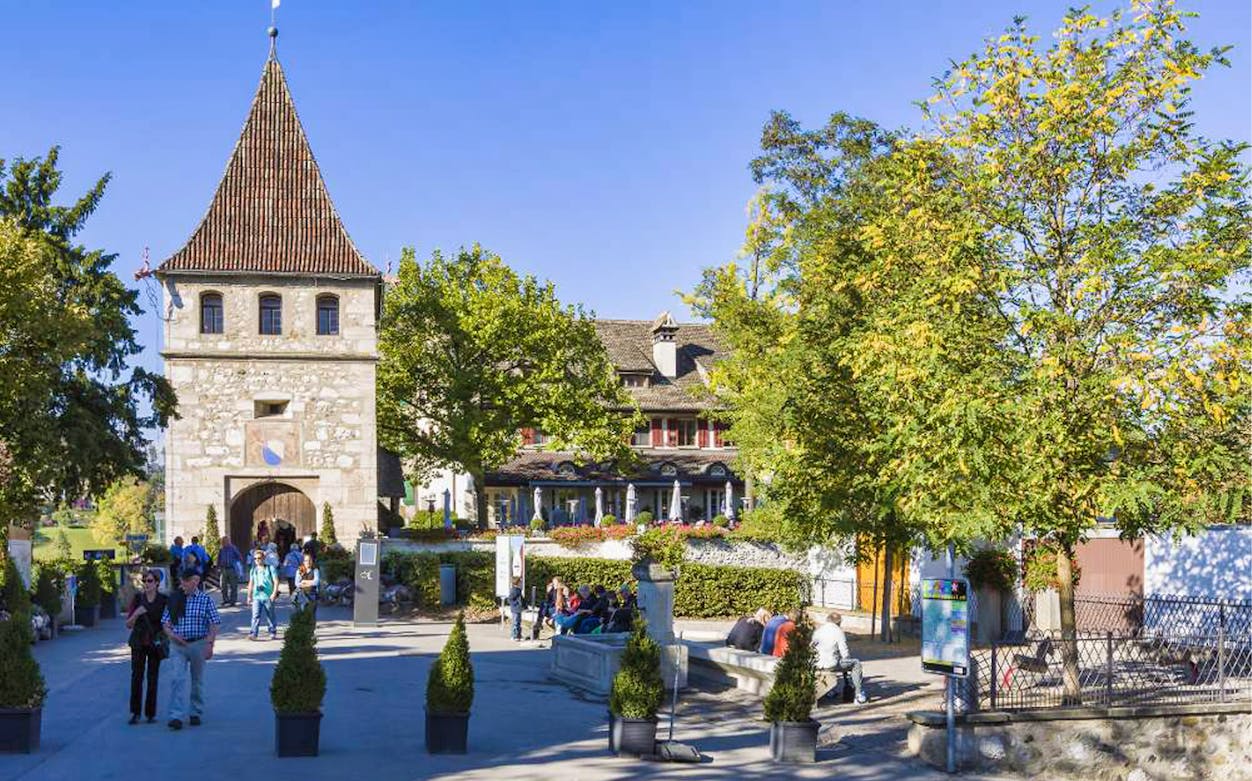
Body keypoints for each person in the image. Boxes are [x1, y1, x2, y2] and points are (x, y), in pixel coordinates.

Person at [161, 571, 220, 730]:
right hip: (178, 645)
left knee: (197, 680)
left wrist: (210, 644)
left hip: (198, 644)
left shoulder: (205, 600)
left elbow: (214, 623)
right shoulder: (175, 598)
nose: (183, 585)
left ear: (196, 581)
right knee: (177, 679)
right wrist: (173, 636)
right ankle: (176, 716)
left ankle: (195, 712)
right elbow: (165, 623)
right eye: (182, 581)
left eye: (187, 581)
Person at [125, 569, 168, 724]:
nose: (147, 584)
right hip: (138, 641)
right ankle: (135, 713)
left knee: (152, 677)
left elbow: (168, 623)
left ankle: (150, 713)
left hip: (155, 642)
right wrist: (136, 613)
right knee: (136, 676)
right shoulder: (138, 599)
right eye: (144, 581)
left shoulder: (163, 600)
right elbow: (128, 624)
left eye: (150, 581)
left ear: (157, 582)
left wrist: (168, 637)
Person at [814, 612, 867, 703]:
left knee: (838, 661)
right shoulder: (838, 632)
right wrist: (846, 658)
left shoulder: (818, 630)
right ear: (839, 622)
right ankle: (858, 695)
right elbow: (845, 653)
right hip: (830, 665)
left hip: (816, 664)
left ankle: (830, 691)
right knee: (856, 664)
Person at [247, 548, 278, 641]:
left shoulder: (270, 568)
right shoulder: (253, 570)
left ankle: (272, 631)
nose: (257, 560)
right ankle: (253, 633)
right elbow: (251, 583)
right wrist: (249, 596)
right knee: (255, 615)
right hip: (257, 596)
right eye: (255, 559)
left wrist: (274, 593)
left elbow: (276, 581)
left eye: (259, 558)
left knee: (270, 615)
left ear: (263, 558)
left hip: (268, 596)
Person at [217, 536, 243, 606]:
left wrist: (236, 563)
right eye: (222, 542)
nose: (223, 543)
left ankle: (233, 600)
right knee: (223, 585)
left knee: (233, 585)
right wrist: (218, 567)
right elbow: (218, 559)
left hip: (232, 569)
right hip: (224, 569)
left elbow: (239, 557)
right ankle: (225, 600)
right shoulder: (221, 549)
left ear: (228, 541)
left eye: (224, 542)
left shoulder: (233, 548)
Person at [507, 576, 525, 641]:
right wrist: (516, 604)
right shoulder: (514, 590)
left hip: (518, 608)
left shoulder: (518, 590)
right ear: (517, 583)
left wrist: (524, 606)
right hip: (515, 609)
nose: (521, 583)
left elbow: (521, 599)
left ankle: (518, 635)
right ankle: (514, 635)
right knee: (515, 622)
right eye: (520, 582)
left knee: (518, 622)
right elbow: (510, 599)